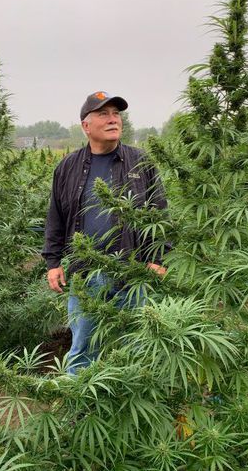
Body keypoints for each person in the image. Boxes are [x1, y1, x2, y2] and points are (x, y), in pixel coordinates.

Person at [42, 91, 167, 373]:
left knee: (137, 345)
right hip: (85, 274)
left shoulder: (140, 161)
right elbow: (56, 217)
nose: (113, 120)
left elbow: (159, 212)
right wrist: (53, 262)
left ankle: (132, 407)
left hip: (133, 272)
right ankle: (81, 410)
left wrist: (158, 258)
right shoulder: (68, 167)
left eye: (116, 114)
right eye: (103, 114)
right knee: (84, 348)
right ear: (86, 125)